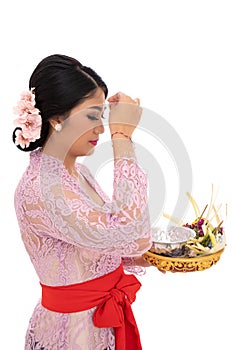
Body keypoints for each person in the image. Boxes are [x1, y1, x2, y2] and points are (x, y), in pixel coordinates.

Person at [13, 54, 152, 350]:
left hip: (103, 323)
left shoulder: (77, 173)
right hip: (71, 334)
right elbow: (129, 233)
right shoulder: (41, 189)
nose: (101, 128)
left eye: (102, 117)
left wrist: (149, 255)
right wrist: (122, 136)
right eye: (92, 116)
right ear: (57, 119)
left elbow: (101, 244)